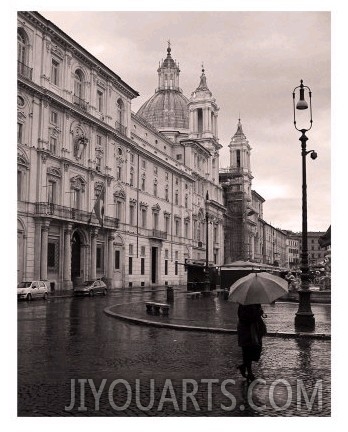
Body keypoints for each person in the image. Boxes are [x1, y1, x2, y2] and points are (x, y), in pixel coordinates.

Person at [236, 303, 266, 383]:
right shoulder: (243, 304)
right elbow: (243, 317)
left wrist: (260, 312)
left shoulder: (256, 302)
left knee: (255, 351)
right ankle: (249, 373)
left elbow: (256, 315)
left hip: (255, 330)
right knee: (247, 350)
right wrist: (257, 314)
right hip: (246, 330)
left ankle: (244, 367)